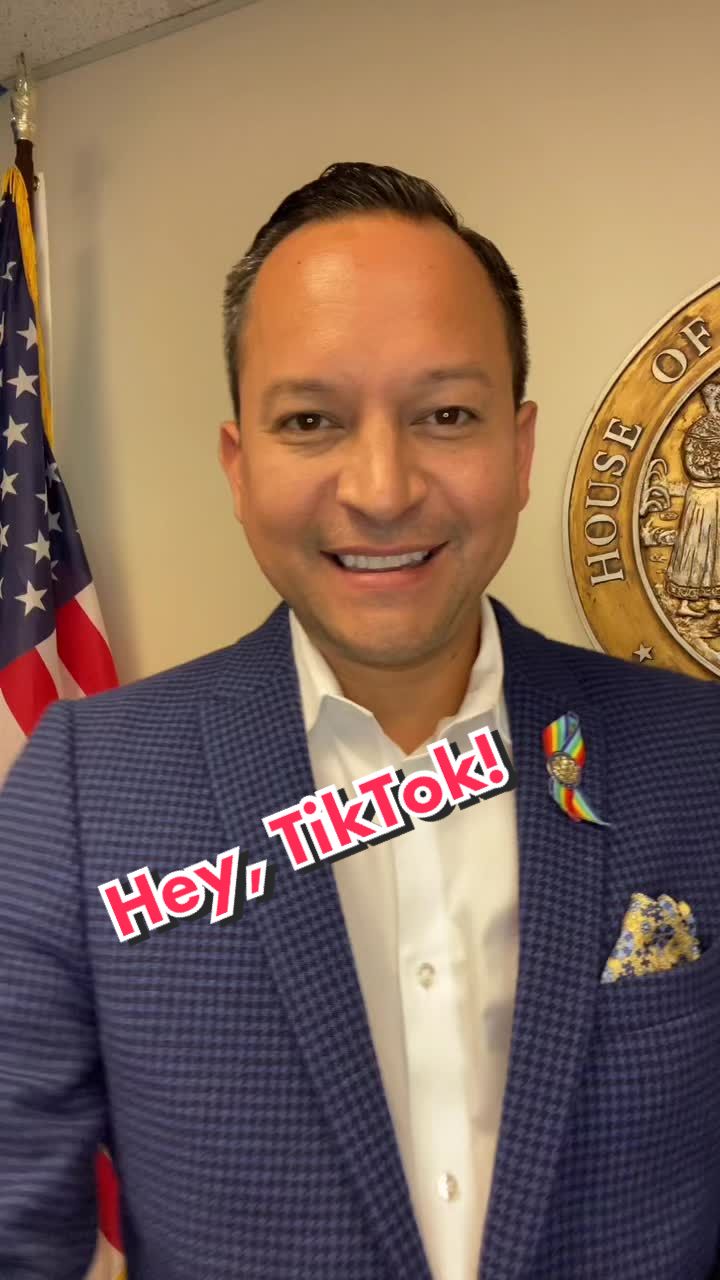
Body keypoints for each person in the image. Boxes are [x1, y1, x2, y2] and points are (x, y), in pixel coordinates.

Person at [1, 160, 719, 1280]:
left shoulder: (698, 758)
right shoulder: (84, 787)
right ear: (240, 465)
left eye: (446, 414)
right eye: (310, 420)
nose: (382, 489)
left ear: (519, 450)